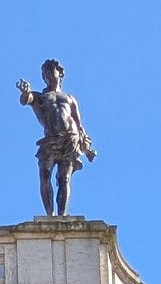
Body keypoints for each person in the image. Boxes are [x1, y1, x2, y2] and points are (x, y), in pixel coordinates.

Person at [16, 60, 95, 218]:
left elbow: (79, 124)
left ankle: (62, 215)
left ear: (60, 73)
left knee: (63, 178)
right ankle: (49, 215)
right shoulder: (41, 96)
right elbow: (28, 99)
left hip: (70, 139)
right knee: (45, 174)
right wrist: (25, 92)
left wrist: (86, 149)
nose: (47, 76)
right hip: (50, 140)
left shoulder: (70, 98)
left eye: (50, 71)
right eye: (45, 73)